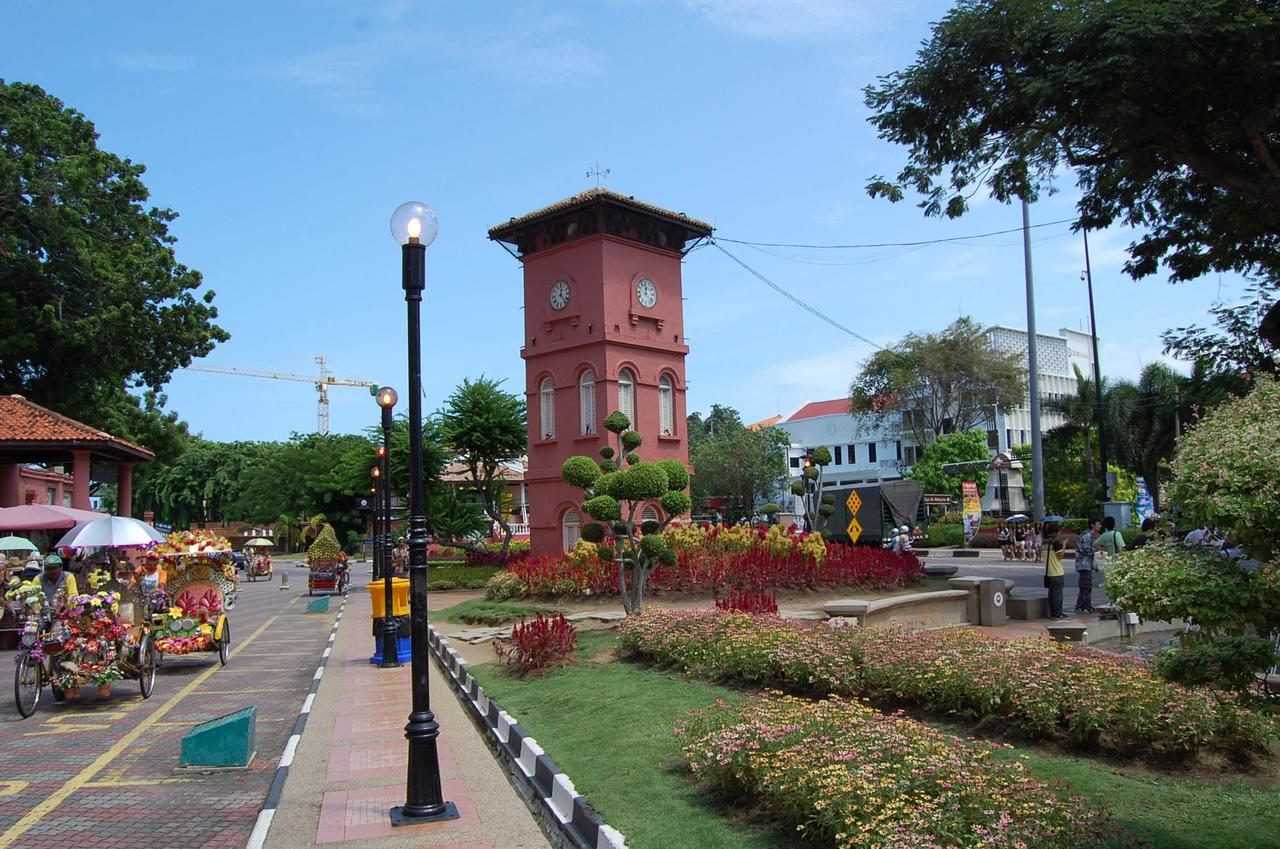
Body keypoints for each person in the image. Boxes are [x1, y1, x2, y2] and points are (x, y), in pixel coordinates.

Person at [1073, 518, 1101, 613]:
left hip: (1084, 564)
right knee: (1086, 585)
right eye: (1098, 524)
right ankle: (1085, 606)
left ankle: (1081, 605)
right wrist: (1097, 551)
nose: (1100, 526)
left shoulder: (1088, 535)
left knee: (1084, 585)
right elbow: (1086, 550)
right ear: (1093, 525)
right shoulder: (1088, 536)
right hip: (1084, 563)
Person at [1043, 522, 1067, 619]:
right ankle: (1058, 613)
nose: (1059, 534)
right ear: (1054, 532)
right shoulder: (1056, 543)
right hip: (1057, 572)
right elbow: (1060, 556)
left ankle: (1053, 613)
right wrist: (1064, 545)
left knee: (1052, 594)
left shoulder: (1044, 542)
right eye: (1058, 532)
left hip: (1049, 572)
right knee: (1058, 594)